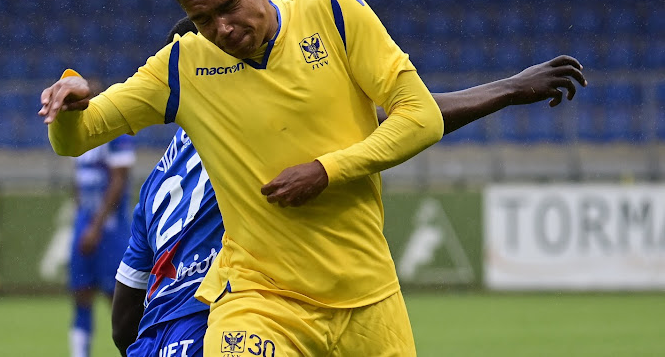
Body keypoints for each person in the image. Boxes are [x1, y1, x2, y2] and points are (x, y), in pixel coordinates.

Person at [39, 0, 586, 356]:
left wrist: (327, 170)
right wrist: (71, 92)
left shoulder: (334, 13)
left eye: (228, 7)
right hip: (259, 298)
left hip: (368, 299)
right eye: (202, 19)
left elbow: (417, 116)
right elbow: (75, 138)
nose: (222, 30)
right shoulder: (182, 64)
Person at [109, 18, 586, 357]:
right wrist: (509, 89)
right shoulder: (252, 139)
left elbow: (124, 314)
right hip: (211, 328)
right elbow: (405, 118)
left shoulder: (154, 187)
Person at [68, 77, 136, 357]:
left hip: (109, 229)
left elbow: (118, 181)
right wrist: (81, 216)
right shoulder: (77, 132)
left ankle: (137, 349)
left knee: (119, 301)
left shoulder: (115, 133)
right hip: (85, 223)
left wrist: (95, 227)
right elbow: (79, 181)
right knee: (80, 294)